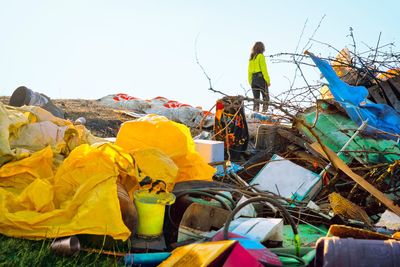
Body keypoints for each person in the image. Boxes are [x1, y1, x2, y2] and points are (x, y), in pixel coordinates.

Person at [248, 41, 271, 112]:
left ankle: (255, 114)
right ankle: (264, 113)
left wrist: (250, 81)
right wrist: (267, 80)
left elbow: (249, 71)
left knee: (256, 99)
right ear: (262, 48)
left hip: (253, 80)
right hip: (260, 78)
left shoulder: (251, 58)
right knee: (266, 97)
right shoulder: (261, 56)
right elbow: (264, 69)